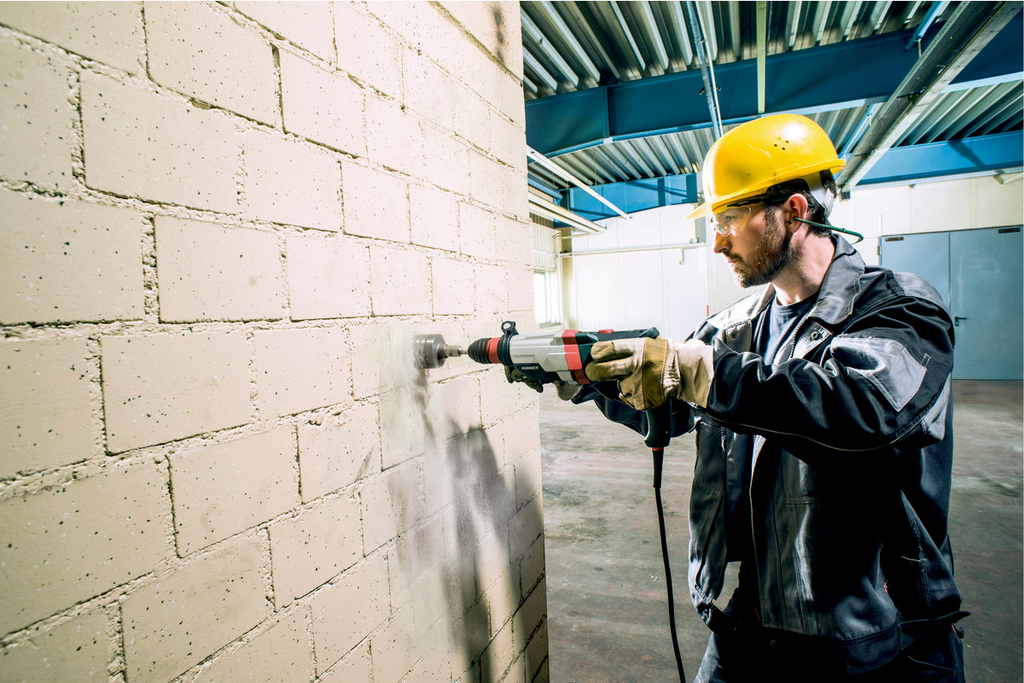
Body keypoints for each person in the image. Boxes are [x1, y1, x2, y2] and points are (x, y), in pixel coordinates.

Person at [569, 114, 966, 681]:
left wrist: (698, 372)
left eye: (729, 218)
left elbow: (862, 412)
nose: (717, 241)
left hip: (877, 638)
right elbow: (673, 405)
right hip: (754, 619)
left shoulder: (900, 309)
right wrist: (588, 377)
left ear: (797, 212)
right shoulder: (735, 329)